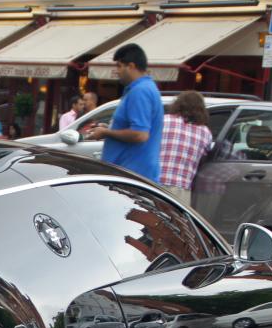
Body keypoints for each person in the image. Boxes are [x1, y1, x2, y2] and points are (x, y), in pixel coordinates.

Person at [85, 43, 163, 181]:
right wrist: (110, 129)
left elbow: (140, 134)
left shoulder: (140, 91)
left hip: (132, 174)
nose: (117, 71)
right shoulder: (144, 88)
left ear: (131, 66)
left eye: (119, 66)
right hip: (131, 173)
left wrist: (106, 132)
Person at [157, 92, 214, 207]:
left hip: (153, 182)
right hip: (181, 187)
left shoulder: (163, 120)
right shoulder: (205, 133)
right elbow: (204, 157)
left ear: (177, 104)